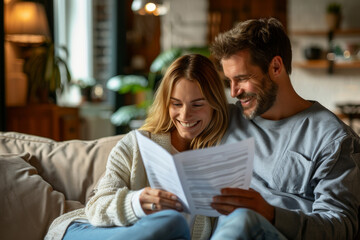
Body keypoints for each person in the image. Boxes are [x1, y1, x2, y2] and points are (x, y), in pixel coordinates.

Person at [44, 53, 229, 240]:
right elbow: (97, 207)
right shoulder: (137, 144)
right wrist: (136, 203)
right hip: (89, 230)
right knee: (170, 222)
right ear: (166, 104)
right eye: (176, 104)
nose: (185, 114)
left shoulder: (221, 154)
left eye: (197, 105)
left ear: (215, 104)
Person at [208, 18, 360, 239]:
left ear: (276, 67)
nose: (233, 92)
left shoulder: (333, 139)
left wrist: (270, 214)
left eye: (242, 79)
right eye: (229, 81)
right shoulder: (227, 119)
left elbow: (340, 226)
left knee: (244, 219)